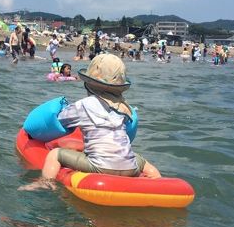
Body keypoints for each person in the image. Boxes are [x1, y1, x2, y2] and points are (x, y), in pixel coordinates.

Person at [22, 54, 160, 189]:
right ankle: (158, 183)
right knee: (143, 162)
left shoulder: (83, 105)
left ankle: (45, 182)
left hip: (98, 166)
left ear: (88, 84)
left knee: (55, 154)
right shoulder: (125, 108)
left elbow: (59, 122)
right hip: (131, 167)